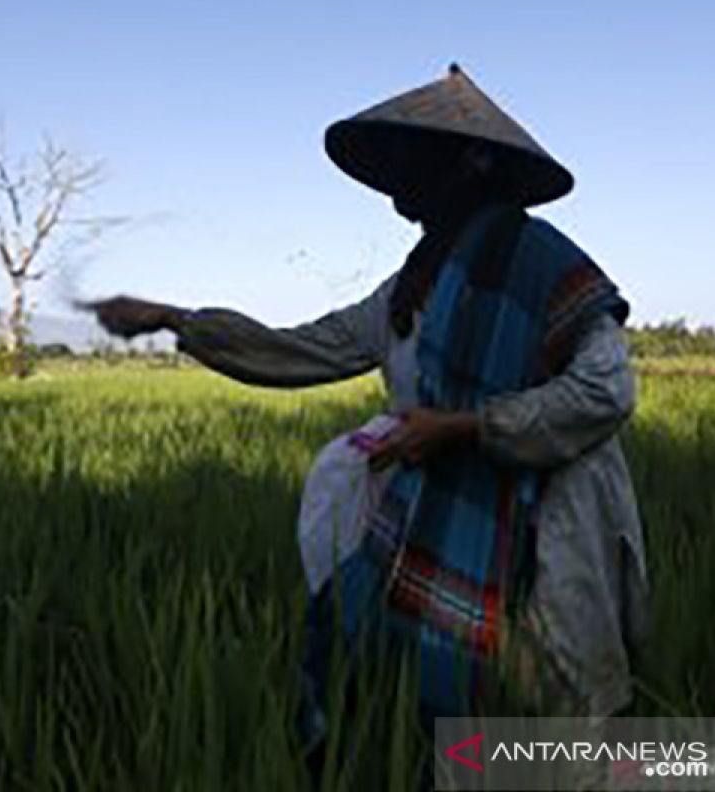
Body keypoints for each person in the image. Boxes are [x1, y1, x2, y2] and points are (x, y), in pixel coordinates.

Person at [83, 63, 649, 776]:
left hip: (553, 519)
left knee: (555, 699)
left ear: (472, 162)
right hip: (445, 516)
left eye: (412, 160)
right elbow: (303, 351)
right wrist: (178, 320)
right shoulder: (410, 287)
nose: (395, 184)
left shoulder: (545, 268)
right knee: (440, 692)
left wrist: (462, 427)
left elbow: (605, 393)